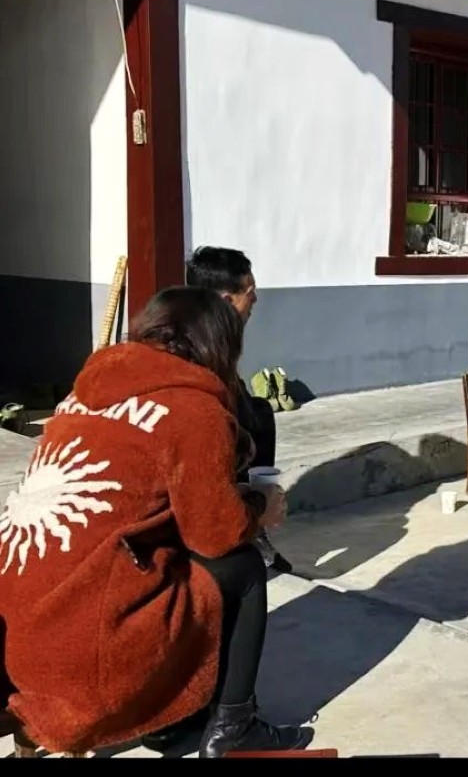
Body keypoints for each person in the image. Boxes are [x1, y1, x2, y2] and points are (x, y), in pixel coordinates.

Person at [0, 287, 311, 757]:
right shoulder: (193, 410)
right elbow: (215, 533)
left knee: (166, 557)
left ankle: (170, 722)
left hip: (20, 629)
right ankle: (235, 727)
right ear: (219, 345)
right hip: (80, 646)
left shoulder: (78, 399)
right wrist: (259, 506)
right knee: (243, 566)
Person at [185, 246, 291, 575]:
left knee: (259, 411)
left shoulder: (216, 335)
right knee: (247, 419)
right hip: (192, 433)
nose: (255, 299)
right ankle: (245, 517)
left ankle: (254, 517)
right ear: (227, 301)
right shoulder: (194, 343)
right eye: (250, 291)